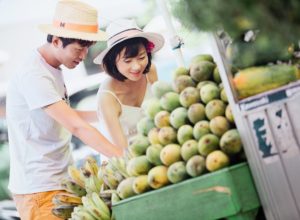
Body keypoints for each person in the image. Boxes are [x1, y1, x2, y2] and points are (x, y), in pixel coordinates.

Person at [5, 1, 123, 219]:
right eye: (79, 48)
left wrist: (108, 114)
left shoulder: (52, 68)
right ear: (57, 41)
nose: (83, 56)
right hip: (40, 190)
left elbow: (65, 116)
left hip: (61, 182)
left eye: (87, 48)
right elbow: (76, 126)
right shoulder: (35, 74)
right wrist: (122, 158)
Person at [93, 18, 164, 156]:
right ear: (113, 62)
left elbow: (162, 114)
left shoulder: (150, 71)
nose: (137, 66)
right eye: (128, 61)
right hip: (129, 161)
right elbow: (122, 150)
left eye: (142, 57)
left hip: (159, 151)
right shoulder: (107, 96)